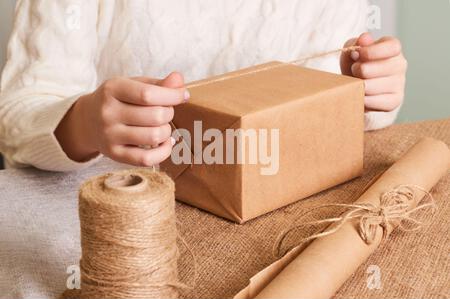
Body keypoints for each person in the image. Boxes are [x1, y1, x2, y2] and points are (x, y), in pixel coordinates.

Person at [0, 0, 407, 171]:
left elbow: (342, 110)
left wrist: (370, 94)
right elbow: (18, 114)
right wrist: (84, 123)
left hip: (279, 213)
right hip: (122, 222)